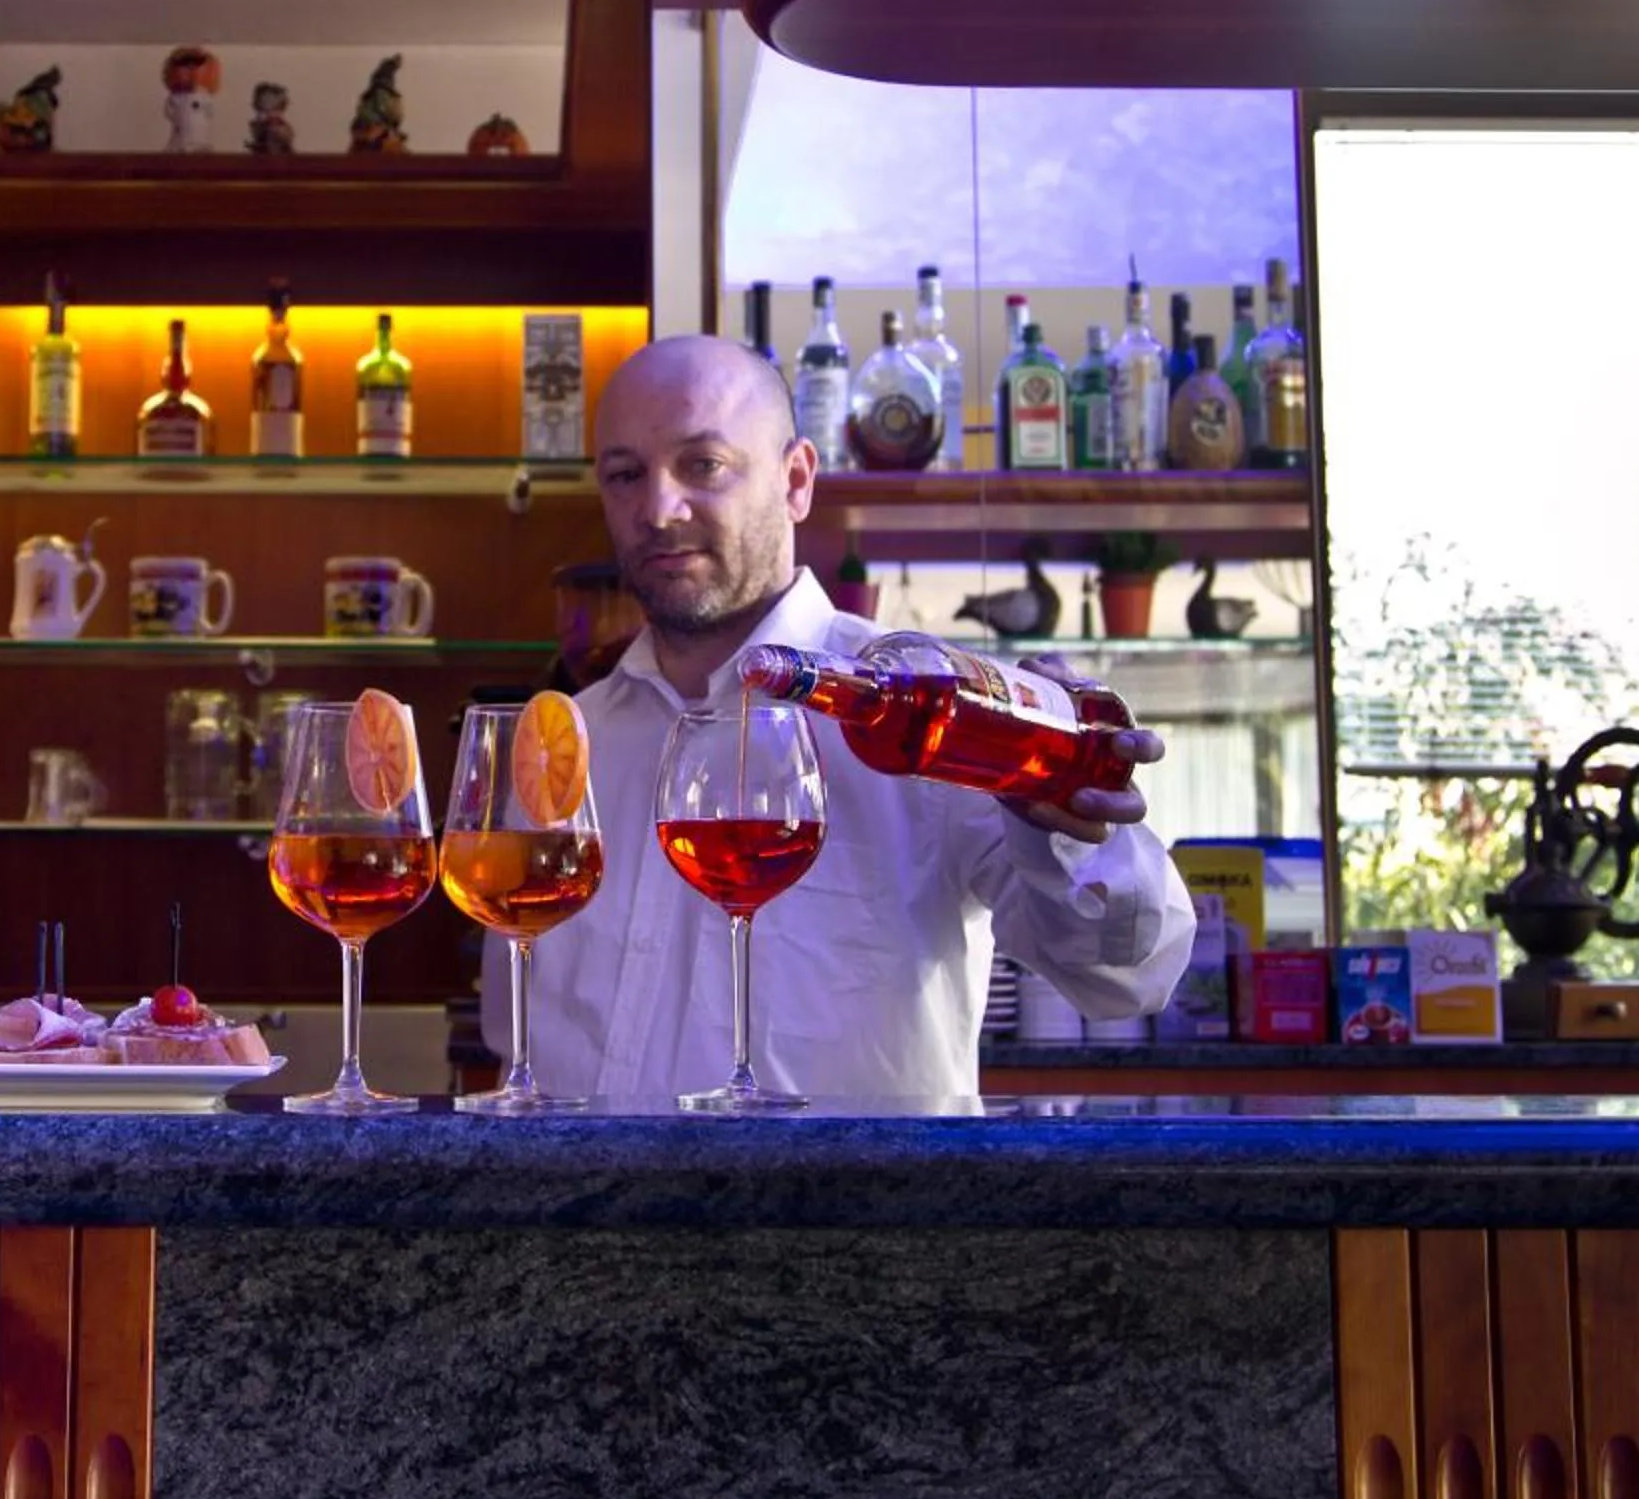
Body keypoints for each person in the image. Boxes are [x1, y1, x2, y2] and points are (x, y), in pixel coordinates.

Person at [490, 334, 1196, 1099]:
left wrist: (1062, 829)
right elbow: (513, 1032)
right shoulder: (564, 740)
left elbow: (1129, 977)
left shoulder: (933, 711)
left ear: (796, 481)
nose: (658, 509)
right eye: (626, 474)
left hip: (843, 1220)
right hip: (588, 1216)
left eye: (704, 464)